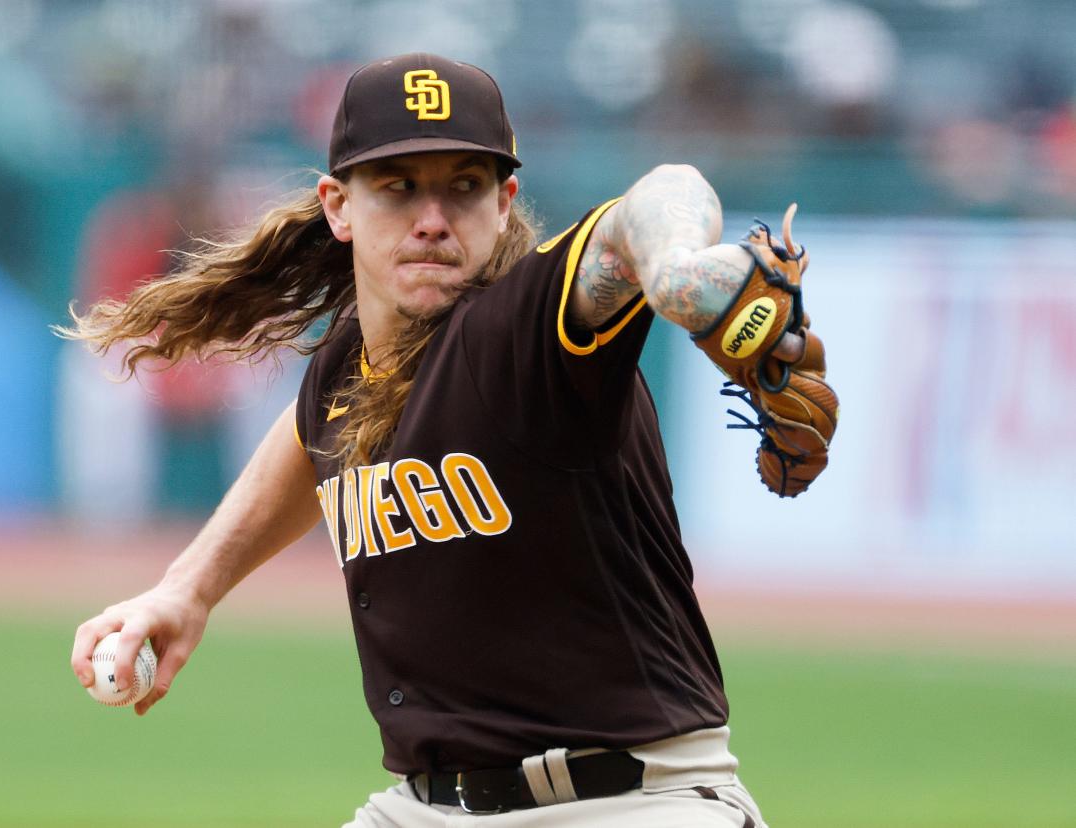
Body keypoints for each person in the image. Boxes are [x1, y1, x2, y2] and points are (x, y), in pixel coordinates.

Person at [65, 53, 834, 826]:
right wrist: (187, 589)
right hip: (425, 808)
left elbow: (661, 196)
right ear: (338, 206)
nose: (432, 217)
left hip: (630, 802)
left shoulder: (526, 329)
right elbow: (309, 441)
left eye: (463, 186)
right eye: (398, 186)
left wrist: (672, 267)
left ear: (504, 203)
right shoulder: (346, 368)